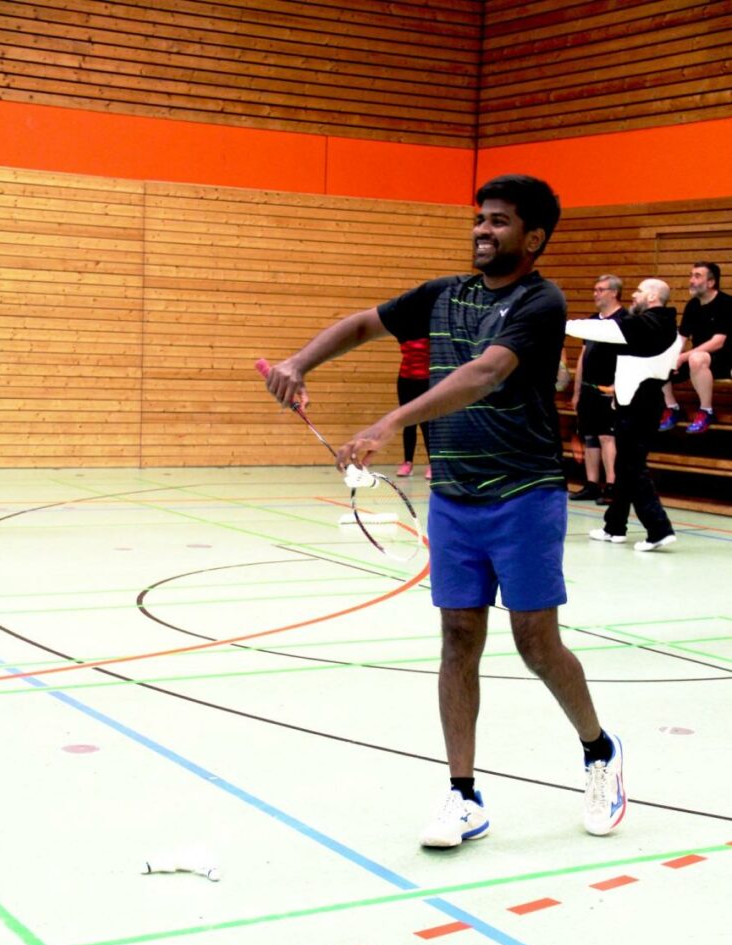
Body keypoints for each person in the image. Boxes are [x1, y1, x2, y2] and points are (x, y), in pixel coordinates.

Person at [263, 174, 626, 846]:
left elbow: (484, 373)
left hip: (524, 494)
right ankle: (463, 794)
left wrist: (385, 424)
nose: (483, 231)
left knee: (536, 644)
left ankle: (599, 750)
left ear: (534, 237)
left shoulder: (540, 301)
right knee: (458, 639)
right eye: (480, 220)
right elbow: (363, 323)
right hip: (455, 498)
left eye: (499, 222)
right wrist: (299, 361)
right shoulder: (442, 294)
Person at [566, 279, 681, 551]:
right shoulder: (659, 325)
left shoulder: (650, 323)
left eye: (639, 291)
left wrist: (560, 323)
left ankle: (658, 529)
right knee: (624, 468)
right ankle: (614, 527)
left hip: (641, 405)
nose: (634, 294)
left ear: (652, 296)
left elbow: (605, 329)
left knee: (632, 468)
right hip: (635, 402)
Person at [569, 275, 626, 504]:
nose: (596, 294)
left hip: (610, 389)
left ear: (614, 292)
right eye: (594, 289)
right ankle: (592, 484)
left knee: (607, 436)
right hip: (589, 388)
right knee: (590, 435)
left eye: (600, 289)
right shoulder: (593, 321)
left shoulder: (625, 320)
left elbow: (630, 356)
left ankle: (612, 485)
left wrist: (619, 385)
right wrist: (577, 391)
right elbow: (584, 356)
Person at [659, 262, 732, 434]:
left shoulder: (727, 303)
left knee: (696, 358)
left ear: (711, 283)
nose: (691, 280)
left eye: (697, 276)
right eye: (691, 275)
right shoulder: (693, 305)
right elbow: (682, 337)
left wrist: (683, 358)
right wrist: (671, 358)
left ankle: (706, 411)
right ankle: (672, 408)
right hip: (697, 361)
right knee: (660, 358)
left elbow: (718, 342)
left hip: (724, 360)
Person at [396, 338, 432, 479]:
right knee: (408, 423)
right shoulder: (405, 330)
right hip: (406, 380)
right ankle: (407, 463)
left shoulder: (430, 329)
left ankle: (432, 464)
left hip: (426, 381)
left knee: (426, 424)